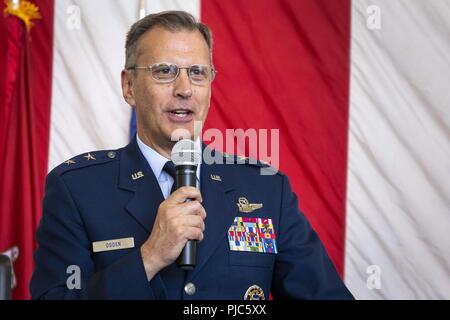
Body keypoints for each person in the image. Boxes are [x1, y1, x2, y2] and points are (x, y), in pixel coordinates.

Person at [30, 11, 353, 300]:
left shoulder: (266, 189)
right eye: (165, 71)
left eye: (197, 72)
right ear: (129, 86)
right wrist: (149, 257)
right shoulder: (77, 189)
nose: (184, 88)